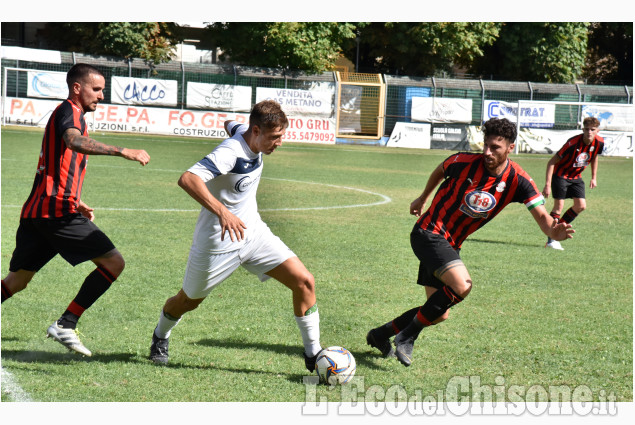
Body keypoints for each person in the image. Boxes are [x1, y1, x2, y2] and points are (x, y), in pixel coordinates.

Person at [366, 117, 574, 367]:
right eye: (485, 145)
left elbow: (542, 217)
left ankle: (380, 334)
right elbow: (441, 168)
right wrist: (423, 198)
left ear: (510, 147)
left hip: (451, 244)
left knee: (439, 312)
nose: (487, 152)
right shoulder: (463, 162)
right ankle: (408, 336)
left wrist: (554, 231)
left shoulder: (519, 180)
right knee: (462, 285)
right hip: (428, 232)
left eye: (495, 147)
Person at [149, 100, 322, 372]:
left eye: (281, 136)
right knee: (187, 301)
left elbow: (230, 124)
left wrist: (231, 126)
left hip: (253, 234)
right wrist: (223, 212)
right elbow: (188, 179)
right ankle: (160, 335)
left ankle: (315, 356)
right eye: (275, 137)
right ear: (256, 130)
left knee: (304, 281)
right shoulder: (230, 153)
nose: (279, 143)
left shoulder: (246, 131)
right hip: (217, 243)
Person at [1, 63, 151, 356]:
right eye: (97, 89)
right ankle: (66, 323)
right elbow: (74, 141)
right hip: (55, 212)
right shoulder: (69, 111)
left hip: (40, 211)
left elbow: (60, 161)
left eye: (103, 90)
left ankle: (66, 323)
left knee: (17, 281)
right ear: (77, 88)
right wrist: (123, 151)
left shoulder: (71, 113)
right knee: (113, 263)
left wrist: (76, 200)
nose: (101, 96)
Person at [542, 116, 604, 250]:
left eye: (592, 129)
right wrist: (547, 185)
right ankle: (551, 239)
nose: (589, 132)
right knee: (558, 207)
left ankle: (558, 229)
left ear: (597, 131)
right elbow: (551, 162)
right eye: (586, 129)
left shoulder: (599, 142)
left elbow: (594, 157)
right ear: (582, 129)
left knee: (581, 205)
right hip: (560, 175)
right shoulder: (572, 143)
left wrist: (594, 177)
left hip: (576, 177)